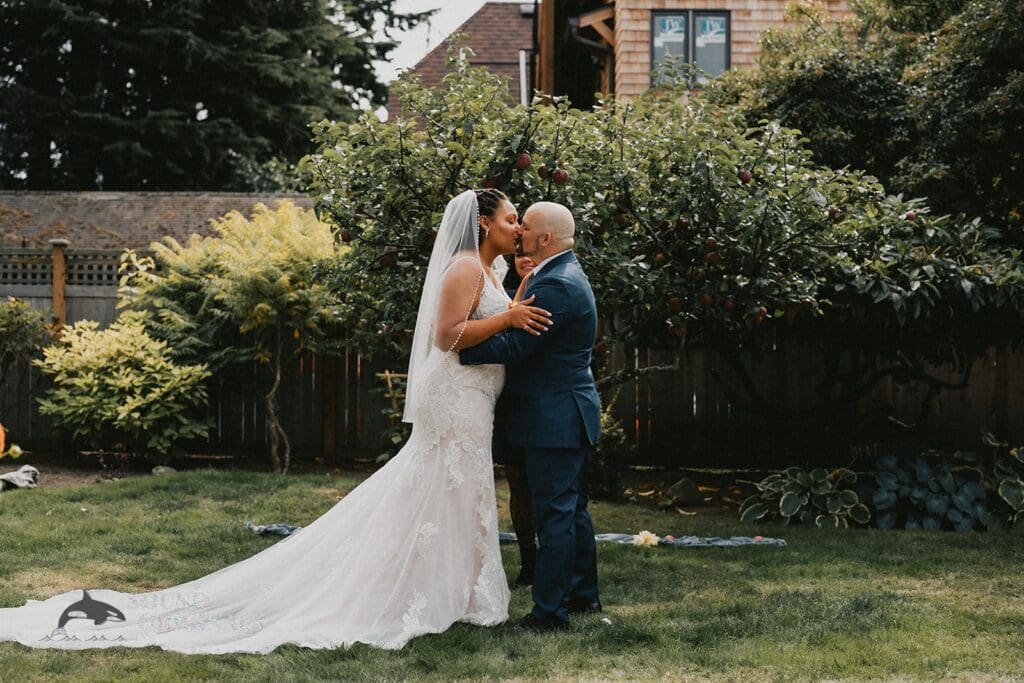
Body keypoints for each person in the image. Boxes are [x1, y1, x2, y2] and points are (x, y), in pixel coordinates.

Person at [0, 188, 553, 654]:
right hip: (454, 398)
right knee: (443, 489)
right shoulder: (462, 266)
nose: (518, 229)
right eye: (510, 220)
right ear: (484, 223)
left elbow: (499, 301)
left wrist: (518, 283)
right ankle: (427, 592)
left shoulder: (489, 266)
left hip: (473, 401)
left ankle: (455, 590)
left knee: (457, 492)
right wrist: (507, 315)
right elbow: (447, 336)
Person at [460, 201, 602, 631]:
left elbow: (518, 347)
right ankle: (582, 598)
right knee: (571, 510)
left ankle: (549, 614)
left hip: (554, 415)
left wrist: (460, 348)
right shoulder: (557, 274)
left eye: (526, 226)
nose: (518, 230)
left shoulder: (557, 284)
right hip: (565, 411)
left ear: (544, 239)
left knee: (556, 514)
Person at [494, 255, 539, 588]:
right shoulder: (500, 292)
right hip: (507, 401)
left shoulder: (550, 291)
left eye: (531, 250)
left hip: (540, 400)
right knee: (518, 482)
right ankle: (528, 561)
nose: (525, 257)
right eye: (519, 251)